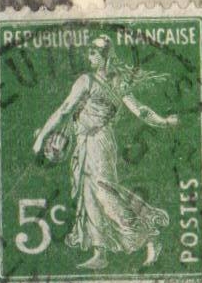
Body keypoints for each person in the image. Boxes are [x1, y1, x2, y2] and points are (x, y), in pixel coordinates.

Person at [32, 36, 178, 269]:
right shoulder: (91, 80)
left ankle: (148, 236)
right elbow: (66, 110)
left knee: (104, 192)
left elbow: (138, 110)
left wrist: (164, 121)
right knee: (88, 193)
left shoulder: (100, 82)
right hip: (84, 142)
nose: (89, 56)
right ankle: (100, 253)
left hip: (100, 141)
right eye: (89, 51)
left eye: (94, 52)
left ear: (106, 56)